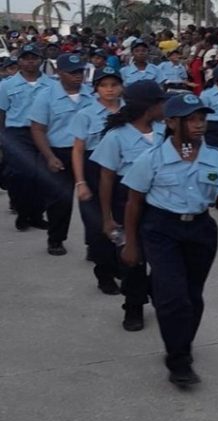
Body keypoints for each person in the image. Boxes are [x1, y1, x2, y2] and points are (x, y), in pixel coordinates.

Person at [121, 93, 218, 386]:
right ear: (171, 123)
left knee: (192, 297)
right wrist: (131, 243)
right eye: (191, 119)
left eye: (202, 118)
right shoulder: (151, 159)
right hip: (161, 229)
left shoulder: (215, 158)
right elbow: (133, 203)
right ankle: (178, 361)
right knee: (173, 298)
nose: (199, 124)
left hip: (200, 230)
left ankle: (181, 343)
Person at [90, 80, 166, 331]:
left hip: (162, 200)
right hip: (127, 200)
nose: (164, 107)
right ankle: (133, 307)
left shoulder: (166, 131)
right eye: (160, 102)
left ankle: (152, 290)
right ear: (148, 107)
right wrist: (107, 217)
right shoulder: (116, 136)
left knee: (164, 256)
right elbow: (106, 178)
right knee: (132, 258)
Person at [29, 53, 95, 256]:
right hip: (59, 152)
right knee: (60, 200)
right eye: (72, 72)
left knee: (91, 201)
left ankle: (94, 245)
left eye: (80, 71)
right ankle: (56, 239)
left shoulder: (92, 94)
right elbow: (38, 129)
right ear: (59, 72)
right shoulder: (46, 96)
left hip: (88, 152)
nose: (78, 76)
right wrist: (49, 156)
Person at [69, 66, 123, 295]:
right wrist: (80, 182)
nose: (109, 90)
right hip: (94, 169)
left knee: (122, 221)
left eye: (114, 85)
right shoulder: (86, 114)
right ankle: (105, 275)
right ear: (96, 89)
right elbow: (78, 150)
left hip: (122, 170)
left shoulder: (130, 112)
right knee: (99, 225)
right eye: (104, 85)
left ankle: (122, 267)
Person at [0, 44, 53, 232]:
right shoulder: (6, 85)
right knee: (22, 176)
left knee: (42, 177)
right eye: (25, 58)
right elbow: (1, 113)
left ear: (41, 60)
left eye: (34, 58)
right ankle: (23, 213)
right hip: (17, 133)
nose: (30, 62)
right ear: (19, 61)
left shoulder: (52, 84)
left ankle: (37, 215)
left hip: (44, 133)